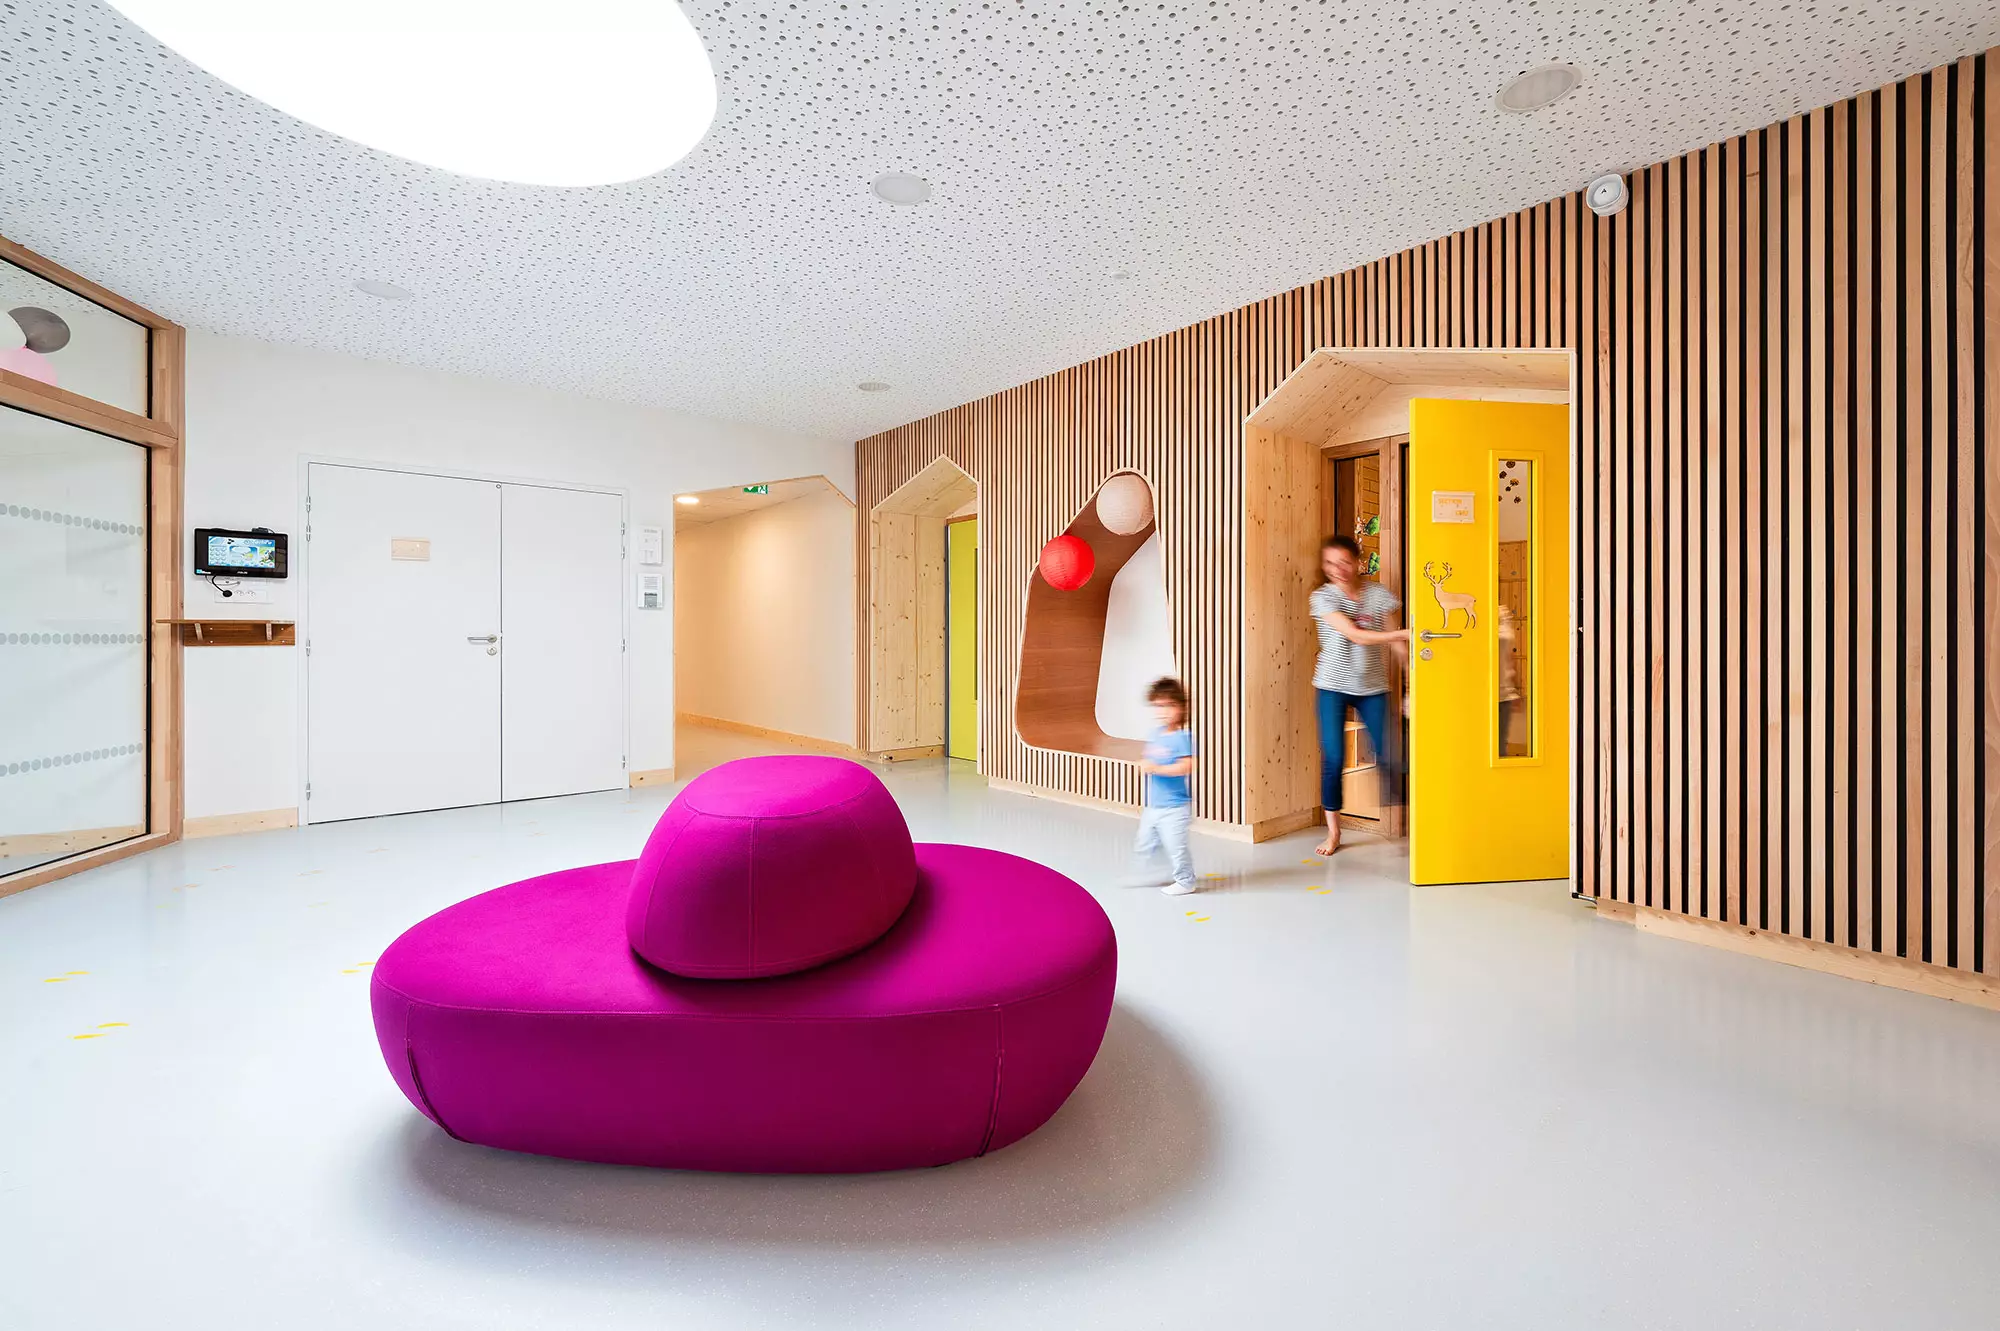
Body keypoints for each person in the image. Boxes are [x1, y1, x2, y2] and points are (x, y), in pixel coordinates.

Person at [1309, 535, 1407, 856]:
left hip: (1373, 687)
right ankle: (1334, 832)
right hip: (1331, 686)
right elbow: (1355, 635)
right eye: (1330, 563)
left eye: (1344, 562)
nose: (1337, 569)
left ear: (1357, 562)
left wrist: (1411, 679)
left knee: (1390, 754)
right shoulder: (1323, 598)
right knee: (1334, 758)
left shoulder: (1378, 595)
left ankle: (1401, 821)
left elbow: (1396, 644)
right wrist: (1405, 632)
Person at [1127, 676, 1198, 896]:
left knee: (1176, 846)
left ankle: (1186, 881)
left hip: (1175, 808)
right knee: (1144, 842)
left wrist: (1156, 768)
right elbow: (1150, 758)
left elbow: (1187, 766)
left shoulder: (1182, 737)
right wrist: (1145, 764)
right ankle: (1153, 872)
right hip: (1153, 805)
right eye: (1158, 706)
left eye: (1169, 705)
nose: (1163, 711)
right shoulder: (1155, 734)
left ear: (1181, 708)